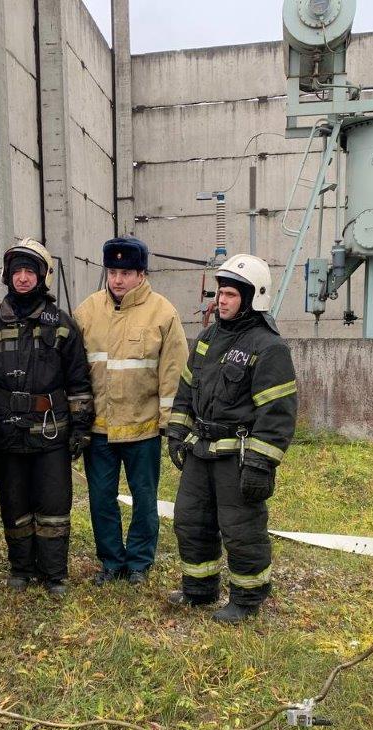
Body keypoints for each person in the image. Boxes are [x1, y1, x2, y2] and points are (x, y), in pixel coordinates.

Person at [165, 254, 297, 624]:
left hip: (237, 457)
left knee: (240, 529)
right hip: (199, 452)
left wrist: (260, 463)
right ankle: (198, 589)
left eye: (230, 295)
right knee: (191, 521)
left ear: (253, 297)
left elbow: (278, 414)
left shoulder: (268, 347)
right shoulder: (207, 339)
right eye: (220, 293)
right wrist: (177, 430)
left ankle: (247, 597)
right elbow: (186, 388)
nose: (221, 300)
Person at [0, 238, 93, 595]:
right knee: (14, 502)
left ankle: (55, 573)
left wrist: (80, 427)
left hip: (51, 431)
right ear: (7, 276)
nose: (23, 278)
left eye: (30, 271)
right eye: (17, 271)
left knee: (54, 503)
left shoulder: (63, 325)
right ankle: (21, 568)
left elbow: (78, 381)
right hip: (6, 431)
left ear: (42, 277)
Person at [73, 237, 188, 585]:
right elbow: (74, 370)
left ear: (141, 274)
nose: (118, 280)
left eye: (126, 272)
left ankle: (139, 562)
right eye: (112, 272)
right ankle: (111, 561)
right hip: (100, 429)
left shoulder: (163, 313)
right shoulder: (87, 312)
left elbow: (173, 372)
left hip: (143, 428)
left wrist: (172, 425)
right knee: (102, 499)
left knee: (144, 499)